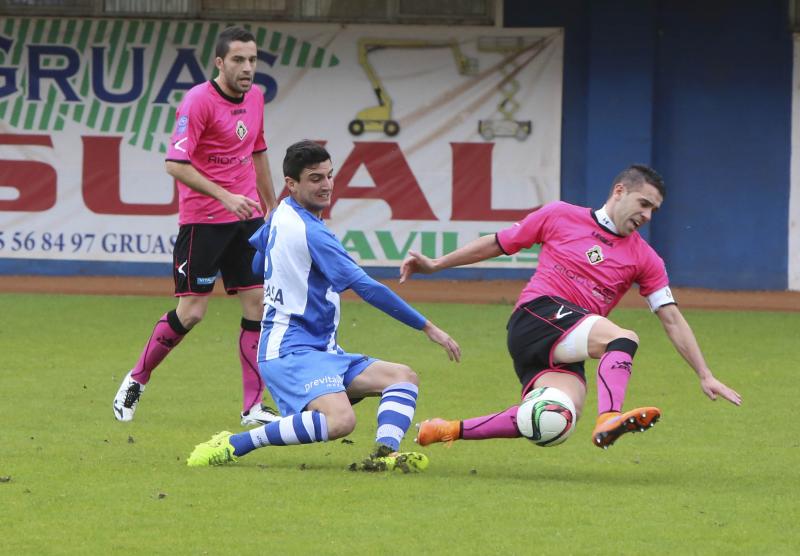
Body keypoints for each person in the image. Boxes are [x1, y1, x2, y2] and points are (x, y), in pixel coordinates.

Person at [401, 164, 742, 450]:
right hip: (536, 315)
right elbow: (497, 244)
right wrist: (436, 264)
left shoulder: (645, 258)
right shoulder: (559, 215)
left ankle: (445, 430)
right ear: (619, 191)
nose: (648, 215)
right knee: (623, 338)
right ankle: (609, 417)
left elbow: (672, 319)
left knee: (555, 419)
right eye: (644, 203)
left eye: (654, 210)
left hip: (564, 344)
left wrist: (705, 374)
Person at [186, 140, 461, 470]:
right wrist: (428, 327)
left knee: (403, 377)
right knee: (340, 421)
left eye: (329, 176)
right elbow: (367, 288)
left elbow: (259, 264)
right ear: (292, 183)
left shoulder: (280, 214)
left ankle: (384, 456)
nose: (327, 185)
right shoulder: (313, 234)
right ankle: (234, 443)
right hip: (289, 351)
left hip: (322, 351)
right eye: (315, 178)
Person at [113, 26, 280, 426]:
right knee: (192, 312)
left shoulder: (255, 98)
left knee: (258, 304)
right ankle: (137, 378)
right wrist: (225, 196)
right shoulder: (198, 101)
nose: (247, 68)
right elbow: (174, 164)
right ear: (220, 62)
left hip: (247, 219)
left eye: (252, 60)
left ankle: (252, 407)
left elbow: (256, 150)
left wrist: (272, 207)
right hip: (204, 221)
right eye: (238, 60)